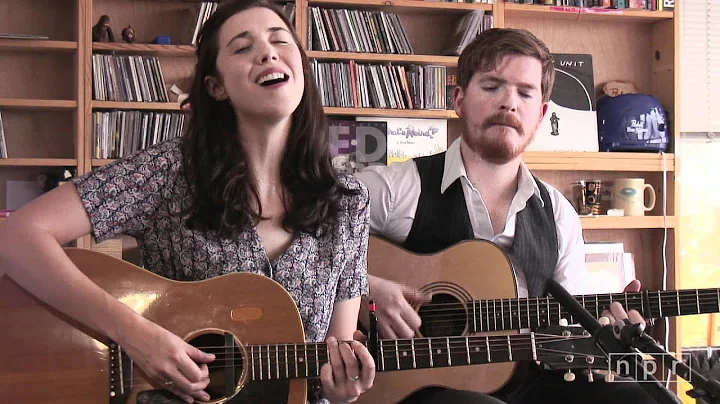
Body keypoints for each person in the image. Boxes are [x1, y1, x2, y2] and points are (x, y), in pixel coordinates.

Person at [0, 1, 375, 403]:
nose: (268, 52)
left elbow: (330, 363)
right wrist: (135, 335)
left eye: (280, 41)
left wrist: (344, 390)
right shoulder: (168, 172)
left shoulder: (347, 203)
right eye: (243, 47)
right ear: (216, 86)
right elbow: (18, 236)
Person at [355, 28, 654, 404]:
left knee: (641, 398)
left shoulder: (558, 213)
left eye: (525, 93)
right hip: (411, 385)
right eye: (492, 86)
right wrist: (364, 290)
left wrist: (612, 331)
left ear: (542, 113)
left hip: (529, 383)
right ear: (459, 100)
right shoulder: (397, 187)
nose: (509, 103)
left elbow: (572, 334)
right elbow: (302, 243)